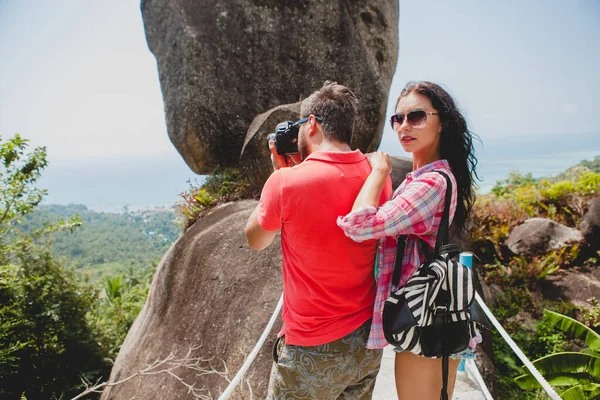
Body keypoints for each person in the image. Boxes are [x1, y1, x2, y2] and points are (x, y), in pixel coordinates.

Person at [245, 81, 392, 399]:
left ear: (311, 123)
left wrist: (279, 176)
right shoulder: (377, 173)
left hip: (311, 349)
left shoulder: (285, 182)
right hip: (367, 341)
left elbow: (256, 238)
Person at [337, 81, 480, 399]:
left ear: (441, 122)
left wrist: (377, 171)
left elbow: (359, 225)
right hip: (429, 313)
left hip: (425, 317)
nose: (404, 126)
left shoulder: (430, 184)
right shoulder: (428, 178)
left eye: (416, 116)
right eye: (398, 119)